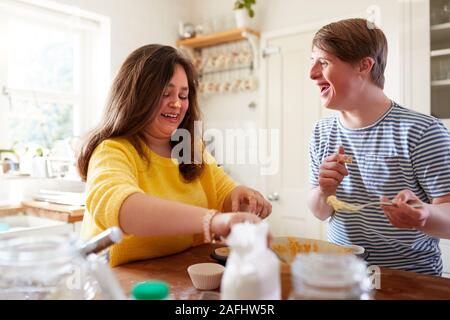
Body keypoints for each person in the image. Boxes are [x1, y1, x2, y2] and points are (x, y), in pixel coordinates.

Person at [77, 44, 272, 267]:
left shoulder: (191, 149)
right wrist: (213, 221)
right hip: (119, 285)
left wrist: (242, 198)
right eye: (165, 93)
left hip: (181, 276)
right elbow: (125, 210)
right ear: (137, 97)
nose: (177, 104)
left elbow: (223, 193)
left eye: (183, 95)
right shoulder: (111, 151)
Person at [306, 18, 450, 275]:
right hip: (342, 277)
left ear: (364, 65)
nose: (312, 73)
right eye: (312, 61)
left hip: (409, 282)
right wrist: (324, 190)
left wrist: (424, 214)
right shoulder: (321, 132)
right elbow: (319, 212)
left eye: (324, 62)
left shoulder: (422, 131)